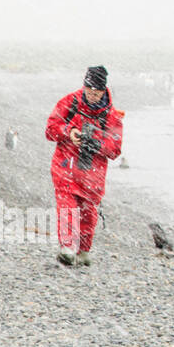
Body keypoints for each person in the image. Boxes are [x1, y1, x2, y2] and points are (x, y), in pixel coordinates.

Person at [46, 66, 123, 266]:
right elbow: (50, 129)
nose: (92, 95)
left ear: (104, 89)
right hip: (66, 168)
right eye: (89, 89)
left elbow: (115, 149)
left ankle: (83, 251)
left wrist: (97, 144)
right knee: (67, 208)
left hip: (93, 174)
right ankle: (67, 248)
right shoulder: (69, 103)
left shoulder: (111, 116)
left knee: (88, 214)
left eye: (96, 91)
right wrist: (68, 133)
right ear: (84, 86)